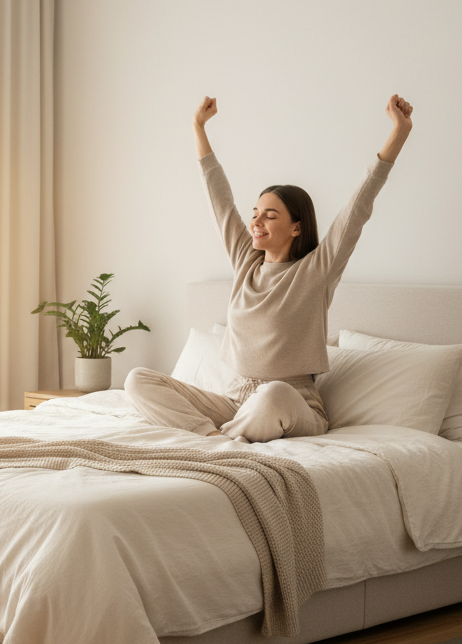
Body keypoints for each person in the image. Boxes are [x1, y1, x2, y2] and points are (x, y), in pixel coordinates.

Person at [125, 92, 413, 443]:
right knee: (137, 379)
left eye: (270, 215)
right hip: (233, 402)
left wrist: (398, 133)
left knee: (273, 394)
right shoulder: (246, 261)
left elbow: (358, 207)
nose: (257, 221)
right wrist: (198, 127)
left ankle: (221, 439)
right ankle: (215, 439)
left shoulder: (316, 270)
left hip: (291, 402)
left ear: (297, 227)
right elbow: (219, 199)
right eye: (255, 213)